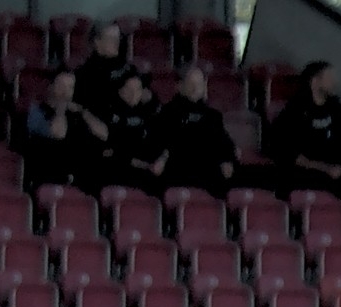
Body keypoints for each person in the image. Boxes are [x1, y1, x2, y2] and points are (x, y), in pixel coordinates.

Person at [268, 61, 341, 199]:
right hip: (311, 172)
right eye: (329, 78)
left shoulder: (339, 110)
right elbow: (286, 151)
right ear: (314, 81)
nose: (334, 82)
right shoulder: (294, 111)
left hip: (340, 171)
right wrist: (325, 168)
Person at [155, 67, 238, 196]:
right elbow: (163, 142)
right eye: (191, 84)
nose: (195, 88)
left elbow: (224, 142)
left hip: (209, 171)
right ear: (180, 86)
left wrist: (227, 160)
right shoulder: (167, 113)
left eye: (199, 84)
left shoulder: (213, 116)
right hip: (178, 169)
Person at [22, 70, 106, 190]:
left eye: (70, 87)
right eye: (61, 86)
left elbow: (103, 134)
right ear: (51, 87)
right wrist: (61, 108)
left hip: (78, 177)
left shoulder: (76, 113)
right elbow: (58, 134)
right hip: (47, 174)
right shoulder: (37, 111)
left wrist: (83, 112)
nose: (65, 91)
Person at [100, 71, 163, 194]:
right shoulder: (111, 113)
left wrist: (161, 160)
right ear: (121, 91)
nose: (134, 94)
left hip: (146, 173)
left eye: (137, 90)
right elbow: (115, 150)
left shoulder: (147, 113)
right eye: (129, 90)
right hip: (119, 172)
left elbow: (158, 142)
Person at [74, 22, 136, 120]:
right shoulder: (87, 73)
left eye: (118, 38)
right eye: (111, 38)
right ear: (97, 41)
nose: (116, 43)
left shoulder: (126, 66)